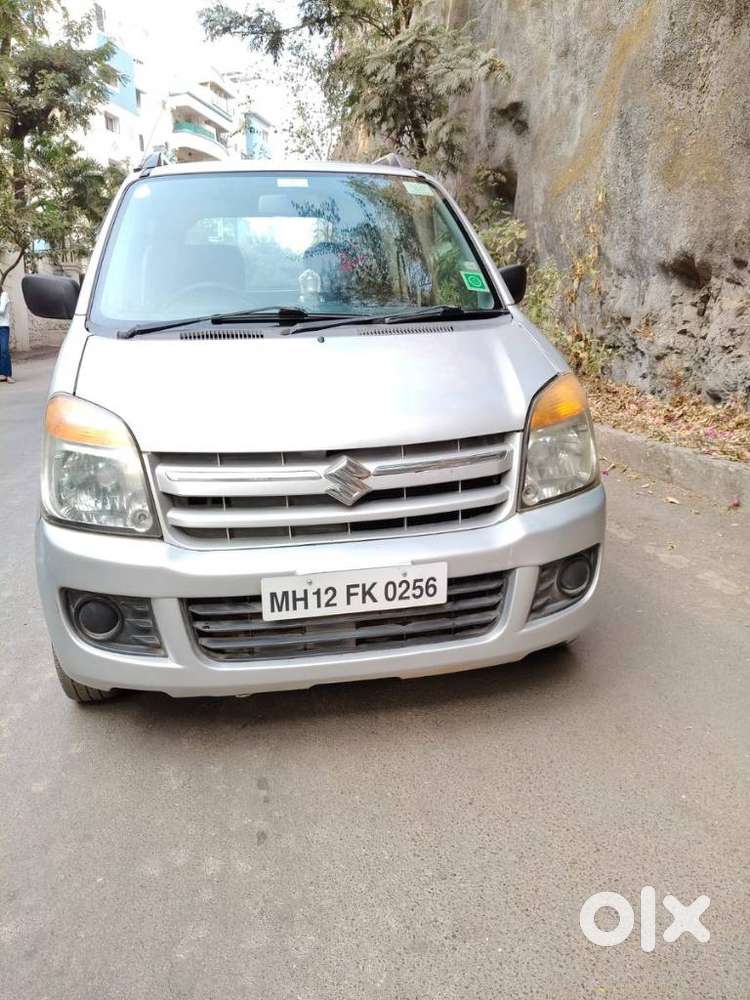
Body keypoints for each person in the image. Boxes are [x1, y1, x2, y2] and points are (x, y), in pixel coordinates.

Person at [0, 287, 14, 384]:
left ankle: (8, 375)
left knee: (4, 350)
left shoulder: (4, 295)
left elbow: (1, 310)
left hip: (3, 327)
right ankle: (2, 374)